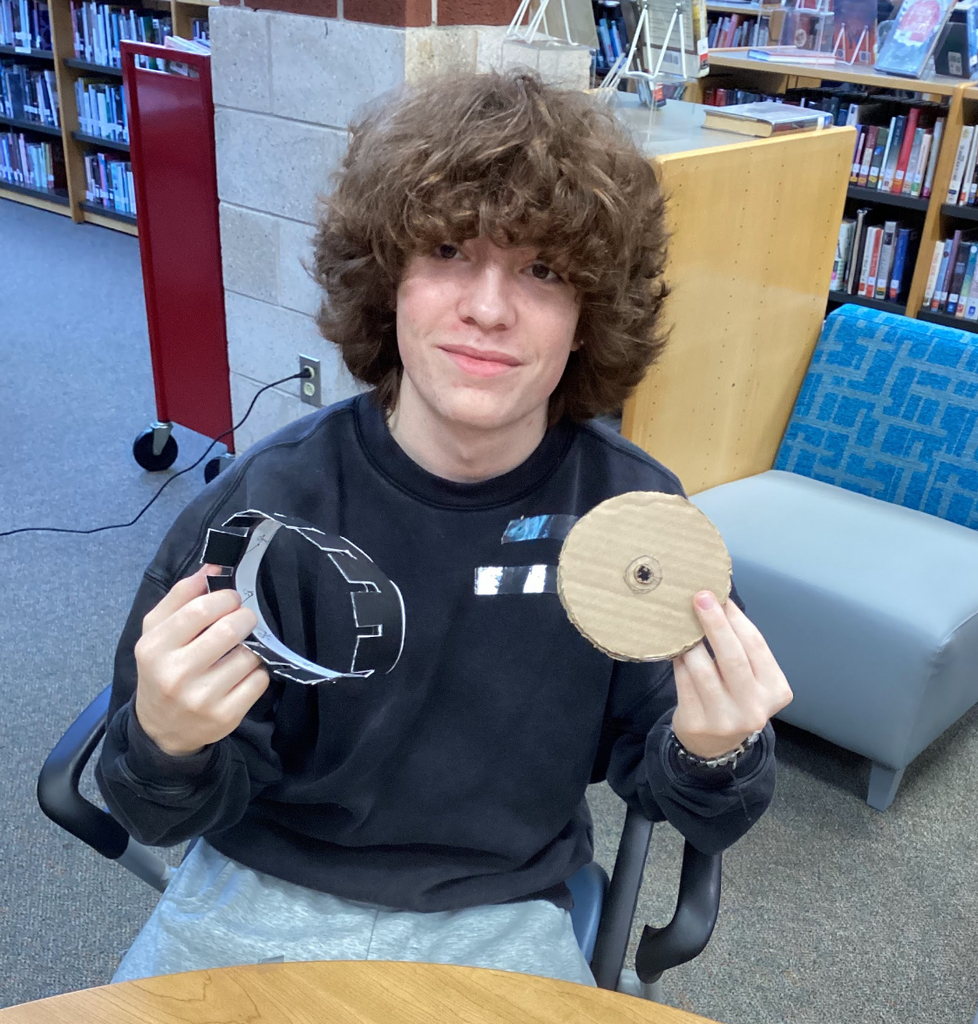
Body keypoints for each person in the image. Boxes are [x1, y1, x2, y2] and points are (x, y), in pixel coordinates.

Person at [96, 68, 792, 988]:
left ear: (588, 316)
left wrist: (718, 753)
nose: (489, 309)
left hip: (504, 909)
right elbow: (152, 809)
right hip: (258, 887)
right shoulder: (266, 508)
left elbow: (704, 808)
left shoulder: (635, 522)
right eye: (449, 252)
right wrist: (165, 741)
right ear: (388, 281)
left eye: (543, 270)